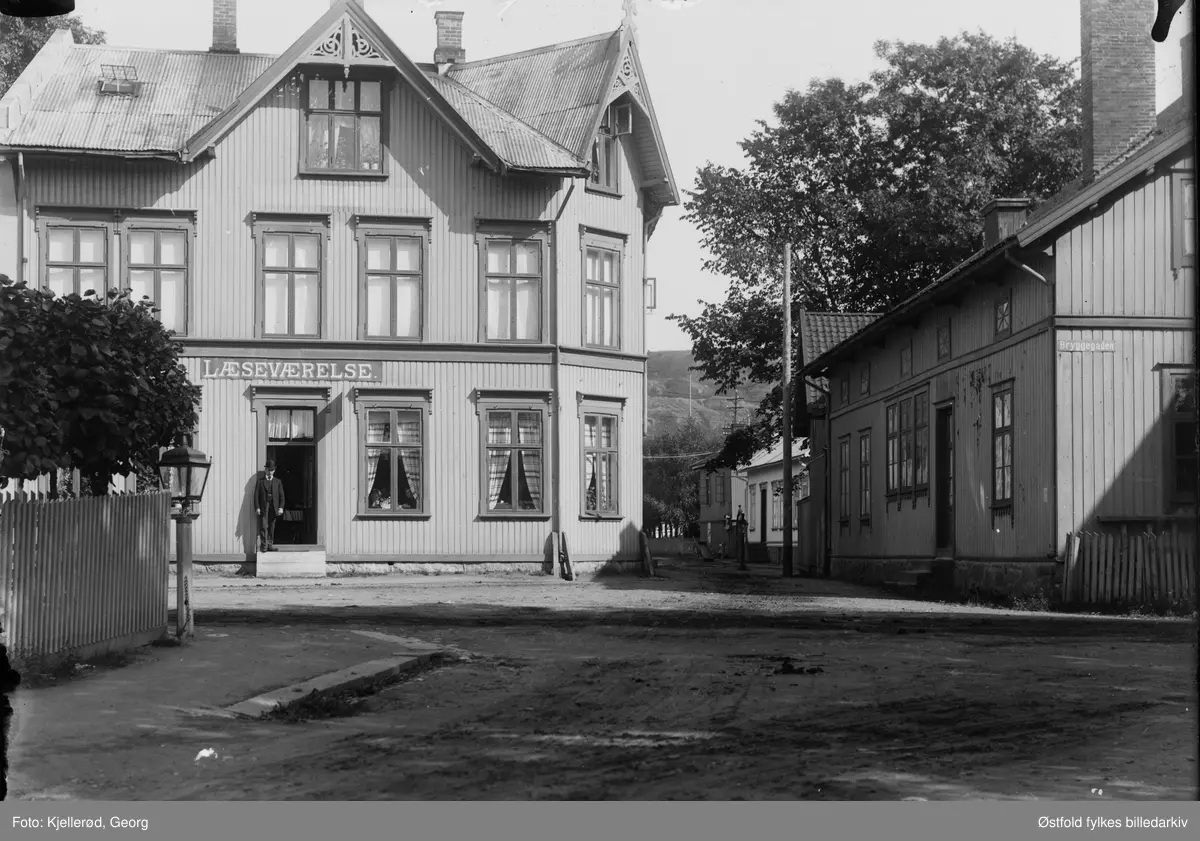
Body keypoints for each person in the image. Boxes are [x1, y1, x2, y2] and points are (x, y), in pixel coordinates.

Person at [255, 459, 285, 553]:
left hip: (274, 506)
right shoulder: (260, 482)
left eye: (271, 470)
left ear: (274, 471)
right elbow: (256, 496)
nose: (270, 471)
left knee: (272, 526)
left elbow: (282, 496)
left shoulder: (278, 482)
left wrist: (281, 507)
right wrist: (257, 507)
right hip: (264, 506)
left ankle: (270, 545)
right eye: (268, 469)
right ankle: (264, 546)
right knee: (264, 526)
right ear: (265, 470)